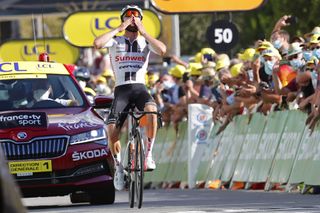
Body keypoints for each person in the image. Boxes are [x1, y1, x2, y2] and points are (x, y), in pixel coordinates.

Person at [93, 4, 166, 191]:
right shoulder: (116, 41)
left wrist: (144, 30)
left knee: (152, 111)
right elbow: (97, 43)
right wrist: (119, 28)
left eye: (136, 17)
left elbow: (162, 49)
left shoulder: (145, 43)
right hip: (121, 91)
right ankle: (118, 168)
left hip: (140, 89)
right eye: (128, 16)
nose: (132, 20)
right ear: (123, 19)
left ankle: (148, 155)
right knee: (112, 131)